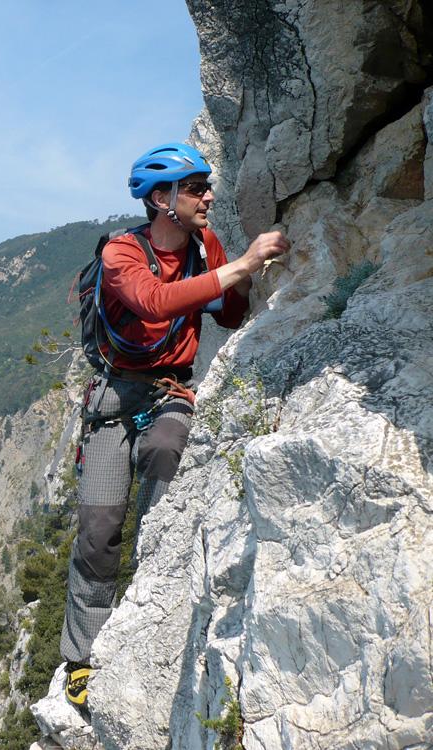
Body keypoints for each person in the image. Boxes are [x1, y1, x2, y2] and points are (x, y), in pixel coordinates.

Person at [61, 142, 290, 706]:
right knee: (96, 533)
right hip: (112, 401)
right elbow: (154, 303)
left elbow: (231, 315)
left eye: (206, 185)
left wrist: (239, 281)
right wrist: (238, 266)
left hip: (169, 390)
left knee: (166, 449)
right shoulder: (121, 254)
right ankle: (81, 657)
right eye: (195, 188)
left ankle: (150, 585)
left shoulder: (204, 245)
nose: (208, 195)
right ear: (162, 199)